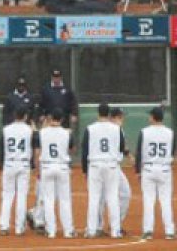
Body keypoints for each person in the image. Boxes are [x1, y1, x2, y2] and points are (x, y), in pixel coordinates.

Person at [82, 103, 126, 239]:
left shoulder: (90, 128)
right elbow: (121, 148)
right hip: (111, 165)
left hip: (95, 165)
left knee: (94, 198)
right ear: (108, 114)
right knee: (112, 198)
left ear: (98, 113)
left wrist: (85, 170)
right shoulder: (117, 129)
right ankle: (115, 231)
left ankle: (91, 230)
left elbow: (85, 151)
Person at [136, 106, 175, 240]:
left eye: (150, 115)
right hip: (164, 169)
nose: (149, 117)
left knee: (148, 200)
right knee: (165, 201)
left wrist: (137, 172)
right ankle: (170, 232)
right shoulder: (170, 132)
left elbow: (139, 153)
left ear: (153, 117)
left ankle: (148, 231)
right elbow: (172, 152)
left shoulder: (144, 132)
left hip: (148, 169)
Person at [39, 109, 76, 239]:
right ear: (61, 119)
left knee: (49, 200)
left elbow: (39, 147)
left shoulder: (42, 132)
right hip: (62, 167)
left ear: (50, 118)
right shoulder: (67, 133)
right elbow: (72, 149)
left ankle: (51, 231)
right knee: (65, 199)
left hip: (47, 166)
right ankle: (68, 230)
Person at [0, 107, 36, 236]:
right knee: (21, 195)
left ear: (14, 115)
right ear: (25, 116)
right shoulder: (29, 130)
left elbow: (1, 149)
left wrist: (2, 165)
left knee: (7, 195)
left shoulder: (6, 129)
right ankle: (20, 228)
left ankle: (4, 225)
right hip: (23, 163)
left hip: (9, 163)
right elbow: (34, 146)